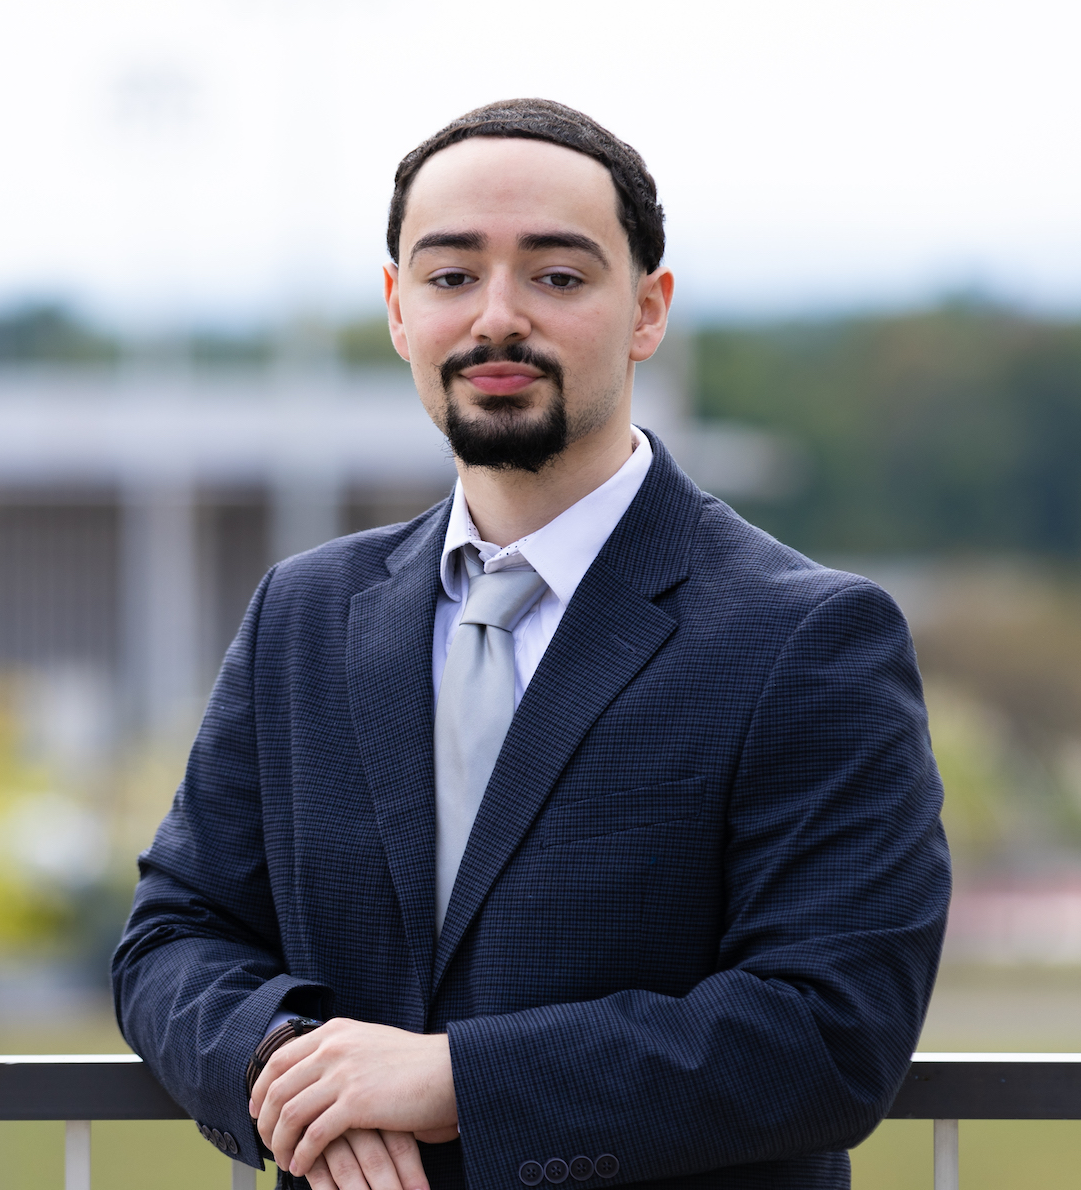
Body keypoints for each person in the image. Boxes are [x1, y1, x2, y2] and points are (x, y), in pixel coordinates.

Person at [113, 98, 950, 1190]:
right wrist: (292, 1067)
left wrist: (453, 1079)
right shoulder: (304, 613)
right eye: (450, 275)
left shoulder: (805, 636)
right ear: (396, 309)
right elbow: (174, 933)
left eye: (556, 276)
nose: (495, 318)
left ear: (646, 312)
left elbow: (830, 1028)